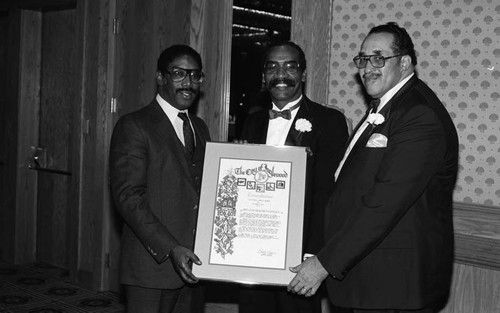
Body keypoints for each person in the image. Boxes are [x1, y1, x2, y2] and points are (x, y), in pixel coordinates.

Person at [287, 22, 459, 313]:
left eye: (379, 58)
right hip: (371, 275)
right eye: (363, 59)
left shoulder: (418, 115)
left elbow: (385, 204)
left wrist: (324, 263)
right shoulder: (386, 107)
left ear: (405, 63)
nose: (368, 67)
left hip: (393, 283)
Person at [237, 41, 349, 313]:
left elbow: (328, 193)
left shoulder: (329, 121)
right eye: (272, 67)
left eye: (290, 66)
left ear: (304, 73)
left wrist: (315, 255)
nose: (281, 74)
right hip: (254, 252)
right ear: (263, 76)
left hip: (300, 256)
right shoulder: (252, 122)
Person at [109, 44, 210, 313]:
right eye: (179, 73)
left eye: (195, 75)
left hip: (195, 265)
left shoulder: (200, 128)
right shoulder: (134, 125)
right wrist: (171, 248)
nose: (188, 82)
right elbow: (128, 197)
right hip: (152, 266)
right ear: (160, 78)